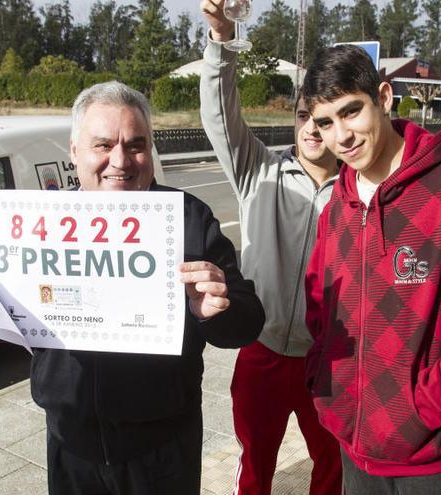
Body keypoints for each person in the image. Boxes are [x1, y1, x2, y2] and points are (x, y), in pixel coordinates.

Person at [302, 44, 441, 494]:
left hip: (432, 456)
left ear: (383, 98)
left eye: (352, 112)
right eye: (327, 122)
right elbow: (320, 308)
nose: (342, 135)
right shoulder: (337, 205)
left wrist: (425, 408)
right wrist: (326, 385)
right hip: (353, 444)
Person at [28, 81, 265, 495]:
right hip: (71, 446)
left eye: (136, 145)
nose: (120, 161)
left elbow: (248, 320)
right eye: (102, 145)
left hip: (161, 452)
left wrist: (215, 309)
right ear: (74, 151)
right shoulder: (41, 224)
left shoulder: (188, 218)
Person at [198, 1, 342, 494]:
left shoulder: (359, 191)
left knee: (333, 465)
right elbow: (221, 116)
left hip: (328, 360)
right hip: (262, 351)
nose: (309, 128)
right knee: (255, 463)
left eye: (321, 119)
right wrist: (221, 38)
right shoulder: (258, 169)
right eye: (303, 115)